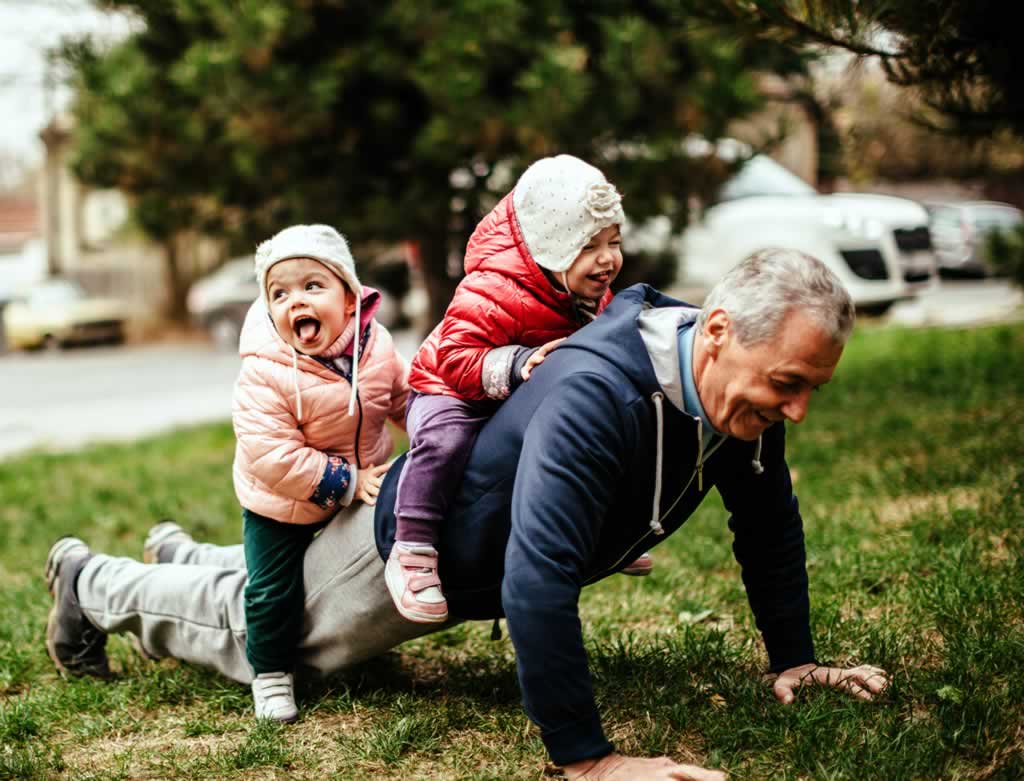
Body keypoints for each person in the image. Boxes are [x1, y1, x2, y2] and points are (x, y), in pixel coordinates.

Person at [44, 248, 889, 781]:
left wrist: (795, 657)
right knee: (257, 634)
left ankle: (186, 554)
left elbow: (768, 521)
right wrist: (587, 756)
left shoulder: (730, 400)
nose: (800, 409)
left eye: (813, 386)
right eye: (788, 383)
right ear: (716, 332)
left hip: (445, 547)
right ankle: (93, 584)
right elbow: (537, 578)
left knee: (272, 583)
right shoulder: (602, 392)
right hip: (401, 552)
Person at [390, 153, 651, 624]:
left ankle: (601, 532)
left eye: (613, 241)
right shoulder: (489, 289)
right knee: (446, 441)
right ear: (550, 246)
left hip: (519, 391)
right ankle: (412, 547)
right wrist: (514, 363)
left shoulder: (585, 293)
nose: (608, 258)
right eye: (589, 246)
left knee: (586, 436)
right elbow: (453, 357)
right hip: (450, 388)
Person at [218, 223, 409, 722]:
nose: (295, 301)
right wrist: (346, 481)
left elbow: (403, 397)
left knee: (353, 571)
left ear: (350, 299)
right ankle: (272, 673)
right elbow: (270, 453)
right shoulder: (265, 369)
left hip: (355, 483)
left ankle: (359, 643)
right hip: (279, 500)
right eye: (279, 294)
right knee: (273, 590)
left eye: (312, 286)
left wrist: (434, 423)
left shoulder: (377, 346)